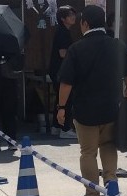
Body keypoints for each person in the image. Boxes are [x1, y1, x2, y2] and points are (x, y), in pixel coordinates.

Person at [56, 4, 127, 196]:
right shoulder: (117, 45)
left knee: (88, 152)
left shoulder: (76, 48)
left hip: (85, 109)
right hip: (111, 107)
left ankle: (92, 194)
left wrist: (61, 107)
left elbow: (66, 83)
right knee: (108, 146)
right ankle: (112, 187)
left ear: (85, 23)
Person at [49, 5, 77, 138]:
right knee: (66, 98)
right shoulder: (63, 32)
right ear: (62, 18)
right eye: (70, 15)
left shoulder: (63, 31)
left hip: (57, 69)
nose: (73, 17)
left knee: (60, 99)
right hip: (61, 70)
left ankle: (56, 126)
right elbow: (62, 53)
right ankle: (65, 129)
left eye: (73, 14)